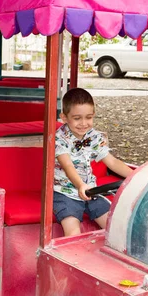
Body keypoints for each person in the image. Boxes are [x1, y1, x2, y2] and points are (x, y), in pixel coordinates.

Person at [53, 88, 133, 236]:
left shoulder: (94, 136)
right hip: (65, 193)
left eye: (88, 117)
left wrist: (136, 176)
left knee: (114, 229)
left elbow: (112, 162)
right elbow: (68, 166)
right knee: (73, 233)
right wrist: (80, 185)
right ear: (64, 118)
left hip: (92, 191)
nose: (84, 123)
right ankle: (74, 257)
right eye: (77, 118)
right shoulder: (60, 138)